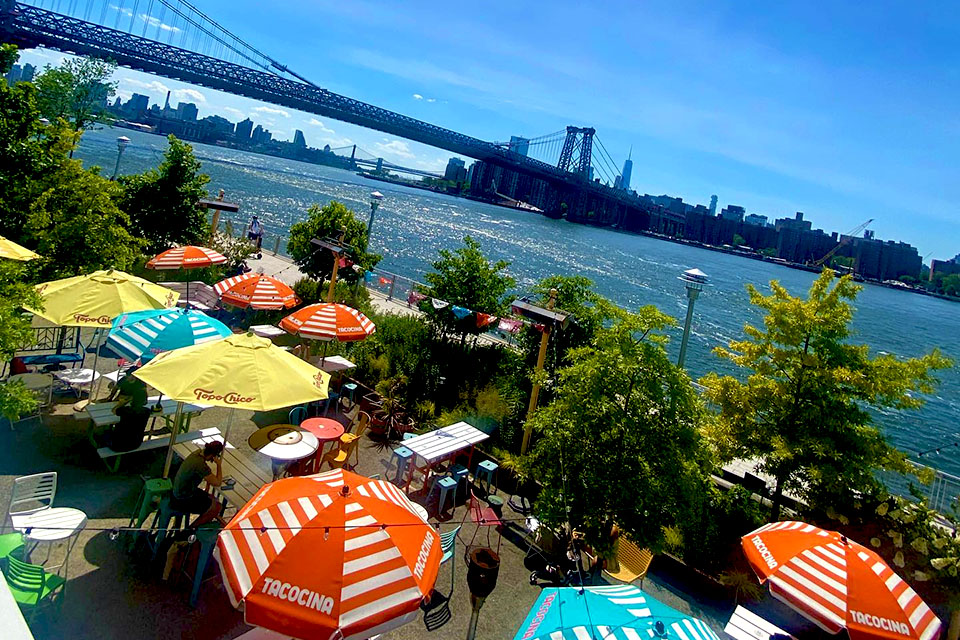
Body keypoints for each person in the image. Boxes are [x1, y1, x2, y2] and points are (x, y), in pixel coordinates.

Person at [171, 441, 226, 527]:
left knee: (213, 498)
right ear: (213, 455)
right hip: (183, 497)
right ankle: (191, 529)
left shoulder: (196, 453)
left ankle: (204, 520)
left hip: (181, 490)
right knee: (217, 507)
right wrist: (219, 465)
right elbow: (218, 482)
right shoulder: (200, 465)